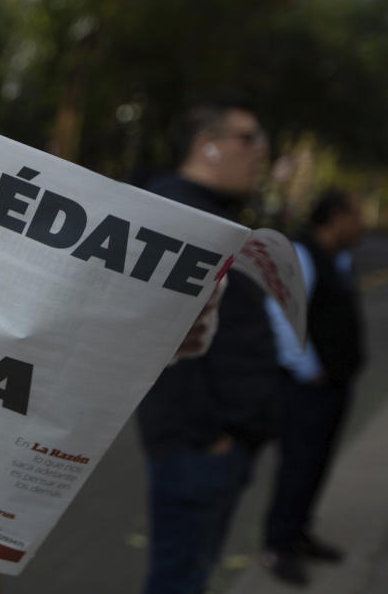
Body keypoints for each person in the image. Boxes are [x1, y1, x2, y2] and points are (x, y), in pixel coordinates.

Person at [136, 97, 282, 594]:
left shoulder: (212, 213)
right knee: (179, 580)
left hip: (218, 443)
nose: (260, 151)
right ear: (207, 146)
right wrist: (208, 434)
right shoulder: (179, 214)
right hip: (198, 446)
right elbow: (158, 336)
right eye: (248, 138)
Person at [260, 188, 367, 586]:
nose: (362, 224)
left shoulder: (338, 257)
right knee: (299, 465)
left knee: (316, 465)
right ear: (335, 217)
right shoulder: (303, 253)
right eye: (356, 215)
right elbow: (283, 314)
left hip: (333, 385)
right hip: (308, 388)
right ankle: (278, 546)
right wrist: (309, 370)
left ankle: (298, 533)